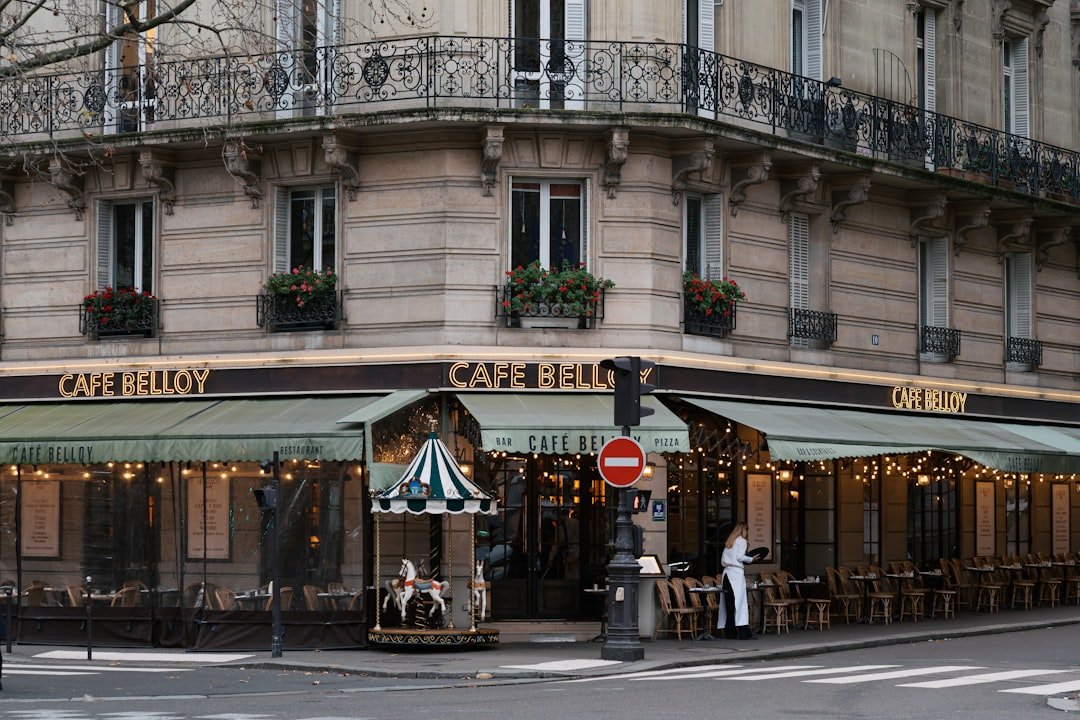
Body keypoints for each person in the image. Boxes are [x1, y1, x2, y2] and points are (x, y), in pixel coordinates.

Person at [717, 522, 757, 640]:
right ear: (744, 530)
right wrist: (751, 558)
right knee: (740, 604)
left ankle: (730, 631)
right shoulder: (742, 541)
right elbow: (740, 557)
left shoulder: (729, 542)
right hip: (736, 574)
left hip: (727, 574)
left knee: (729, 604)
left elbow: (724, 559)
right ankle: (744, 632)